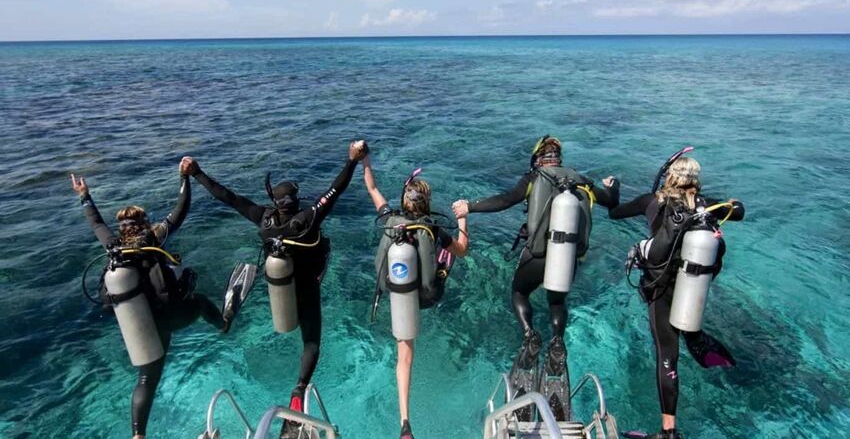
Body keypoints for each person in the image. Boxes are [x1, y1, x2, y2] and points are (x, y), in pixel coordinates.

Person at [180, 141, 367, 439]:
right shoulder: (309, 217)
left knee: (272, 289)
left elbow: (228, 197)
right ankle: (299, 389)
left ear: (276, 202)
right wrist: (352, 160)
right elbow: (336, 189)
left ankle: (224, 319)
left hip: (278, 290)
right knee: (311, 343)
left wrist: (197, 172)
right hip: (307, 287)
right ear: (296, 200)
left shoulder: (263, 218)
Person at [71, 158, 232, 439]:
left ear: (121, 228)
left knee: (147, 379)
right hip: (171, 316)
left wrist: (85, 196)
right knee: (200, 301)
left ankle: (138, 435)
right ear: (144, 222)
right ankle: (224, 325)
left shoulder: (113, 247)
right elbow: (181, 209)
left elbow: (96, 223)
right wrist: (184, 178)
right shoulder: (155, 237)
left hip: (142, 325)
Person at [452, 135, 618, 378]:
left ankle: (530, 334)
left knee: (519, 293)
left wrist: (470, 207)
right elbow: (612, 201)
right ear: (559, 158)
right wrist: (614, 185)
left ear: (538, 158)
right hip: (568, 258)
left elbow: (505, 200)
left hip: (537, 256)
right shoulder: (581, 180)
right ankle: (557, 342)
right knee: (557, 302)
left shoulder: (533, 178)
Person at [608, 154, 745, 439]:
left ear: (669, 176)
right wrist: (732, 203)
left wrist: (613, 189)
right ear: (695, 179)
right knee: (684, 330)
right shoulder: (706, 205)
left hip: (660, 288)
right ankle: (696, 337)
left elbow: (615, 212)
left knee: (667, 355)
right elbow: (739, 211)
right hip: (691, 282)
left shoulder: (651, 201)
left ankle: (668, 432)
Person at [362, 146, 469, 439]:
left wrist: (364, 159)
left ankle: (405, 422)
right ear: (427, 203)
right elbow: (463, 249)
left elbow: (371, 187)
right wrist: (463, 218)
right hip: (429, 295)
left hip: (400, 295)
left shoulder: (389, 220)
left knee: (405, 357)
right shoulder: (434, 229)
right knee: (448, 254)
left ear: (404, 201)